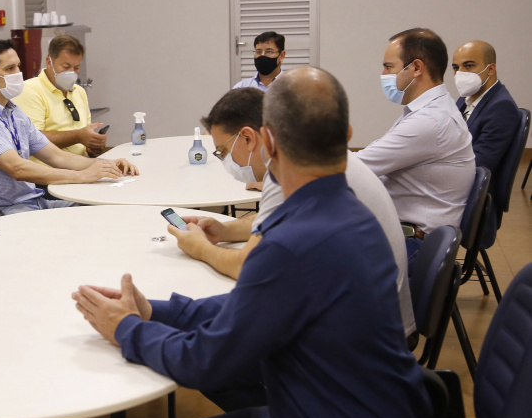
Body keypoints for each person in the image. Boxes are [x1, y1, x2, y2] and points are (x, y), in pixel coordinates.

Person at [72, 67, 431, 418]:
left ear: (268, 144)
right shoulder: (348, 213)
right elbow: (250, 304)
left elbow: (208, 361)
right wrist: (155, 311)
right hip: (371, 411)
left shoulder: (293, 242)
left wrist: (126, 329)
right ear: (347, 138)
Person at [172, 87, 414, 336]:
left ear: (247, 138)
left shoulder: (291, 168)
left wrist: (201, 249)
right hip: (374, 309)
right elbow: (275, 216)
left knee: (239, 328)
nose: (225, 160)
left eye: (222, 151)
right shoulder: (304, 149)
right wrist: (223, 230)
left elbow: (247, 268)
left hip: (365, 333)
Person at [0, 37, 137, 219]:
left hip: (32, 201)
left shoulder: (14, 112)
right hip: (3, 211)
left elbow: (57, 156)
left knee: (103, 211)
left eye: (18, 66)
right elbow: (18, 169)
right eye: (9, 68)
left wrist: (106, 165)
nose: (18, 73)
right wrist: (84, 176)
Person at [356, 28, 475, 267]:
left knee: (313, 263)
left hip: (415, 245)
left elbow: (356, 167)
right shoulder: (428, 111)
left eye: (389, 67)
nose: (383, 74)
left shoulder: (430, 121)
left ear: (417, 68)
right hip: (412, 235)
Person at [453, 40, 521, 244]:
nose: (460, 73)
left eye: (469, 65)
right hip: (456, 187)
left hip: (472, 203)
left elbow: (479, 165)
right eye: (456, 68)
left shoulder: (501, 107)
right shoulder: (465, 100)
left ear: (491, 68)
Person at [13, 34, 107, 158]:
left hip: (82, 166)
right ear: (49, 62)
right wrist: (78, 136)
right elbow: (32, 140)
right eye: (66, 67)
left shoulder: (79, 91)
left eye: (77, 67)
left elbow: (82, 140)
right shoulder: (29, 90)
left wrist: (91, 146)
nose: (72, 73)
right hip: (49, 172)